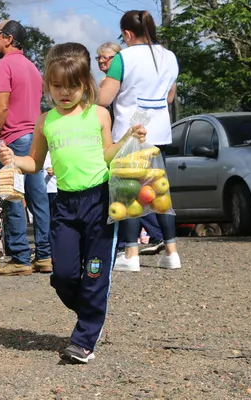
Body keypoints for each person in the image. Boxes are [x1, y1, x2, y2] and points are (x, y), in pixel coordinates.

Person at [0, 42, 147, 364]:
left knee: (95, 273)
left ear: (86, 84)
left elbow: (107, 156)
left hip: (100, 204)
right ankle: (91, 310)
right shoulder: (45, 121)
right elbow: (35, 163)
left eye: (72, 86)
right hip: (64, 206)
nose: (64, 93)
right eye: (57, 86)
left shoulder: (99, 115)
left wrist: (128, 138)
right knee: (62, 274)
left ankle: (84, 340)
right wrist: (13, 159)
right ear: (48, 84)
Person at [98, 10, 182, 272]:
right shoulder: (169, 57)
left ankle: (131, 254)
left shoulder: (123, 57)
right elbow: (169, 98)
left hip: (130, 134)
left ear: (126, 34)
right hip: (160, 133)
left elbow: (104, 100)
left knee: (129, 193)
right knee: (160, 193)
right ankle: (171, 252)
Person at [0, 19, 52, 275]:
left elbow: (1, 106)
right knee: (39, 200)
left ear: (9, 39)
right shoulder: (33, 68)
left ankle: (20, 258)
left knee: (12, 197)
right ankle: (45, 256)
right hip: (34, 137)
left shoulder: (3, 65)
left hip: (13, 140)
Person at [96, 41, 166, 256]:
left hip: (125, 138)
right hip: (117, 138)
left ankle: (151, 237)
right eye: (98, 57)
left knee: (129, 190)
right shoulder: (107, 81)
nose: (101, 61)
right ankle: (138, 239)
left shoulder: (117, 82)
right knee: (126, 191)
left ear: (117, 59)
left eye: (106, 57)